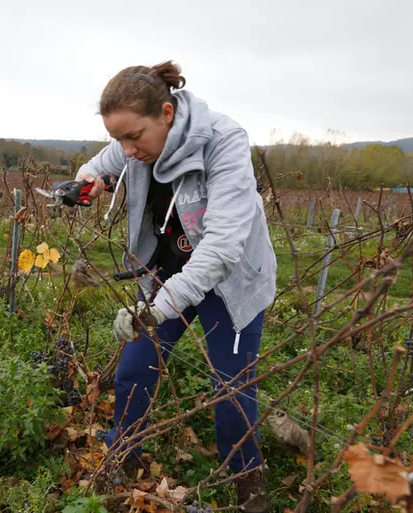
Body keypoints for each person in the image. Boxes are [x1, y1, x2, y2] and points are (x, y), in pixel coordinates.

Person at [76, 61, 276, 512]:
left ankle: (249, 480)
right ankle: (121, 454)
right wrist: (87, 182)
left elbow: (223, 248)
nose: (126, 150)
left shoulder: (224, 142)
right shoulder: (133, 145)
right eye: (118, 138)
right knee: (134, 370)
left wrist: (155, 309)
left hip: (230, 282)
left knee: (230, 388)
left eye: (134, 137)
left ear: (167, 113)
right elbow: (98, 165)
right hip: (168, 273)